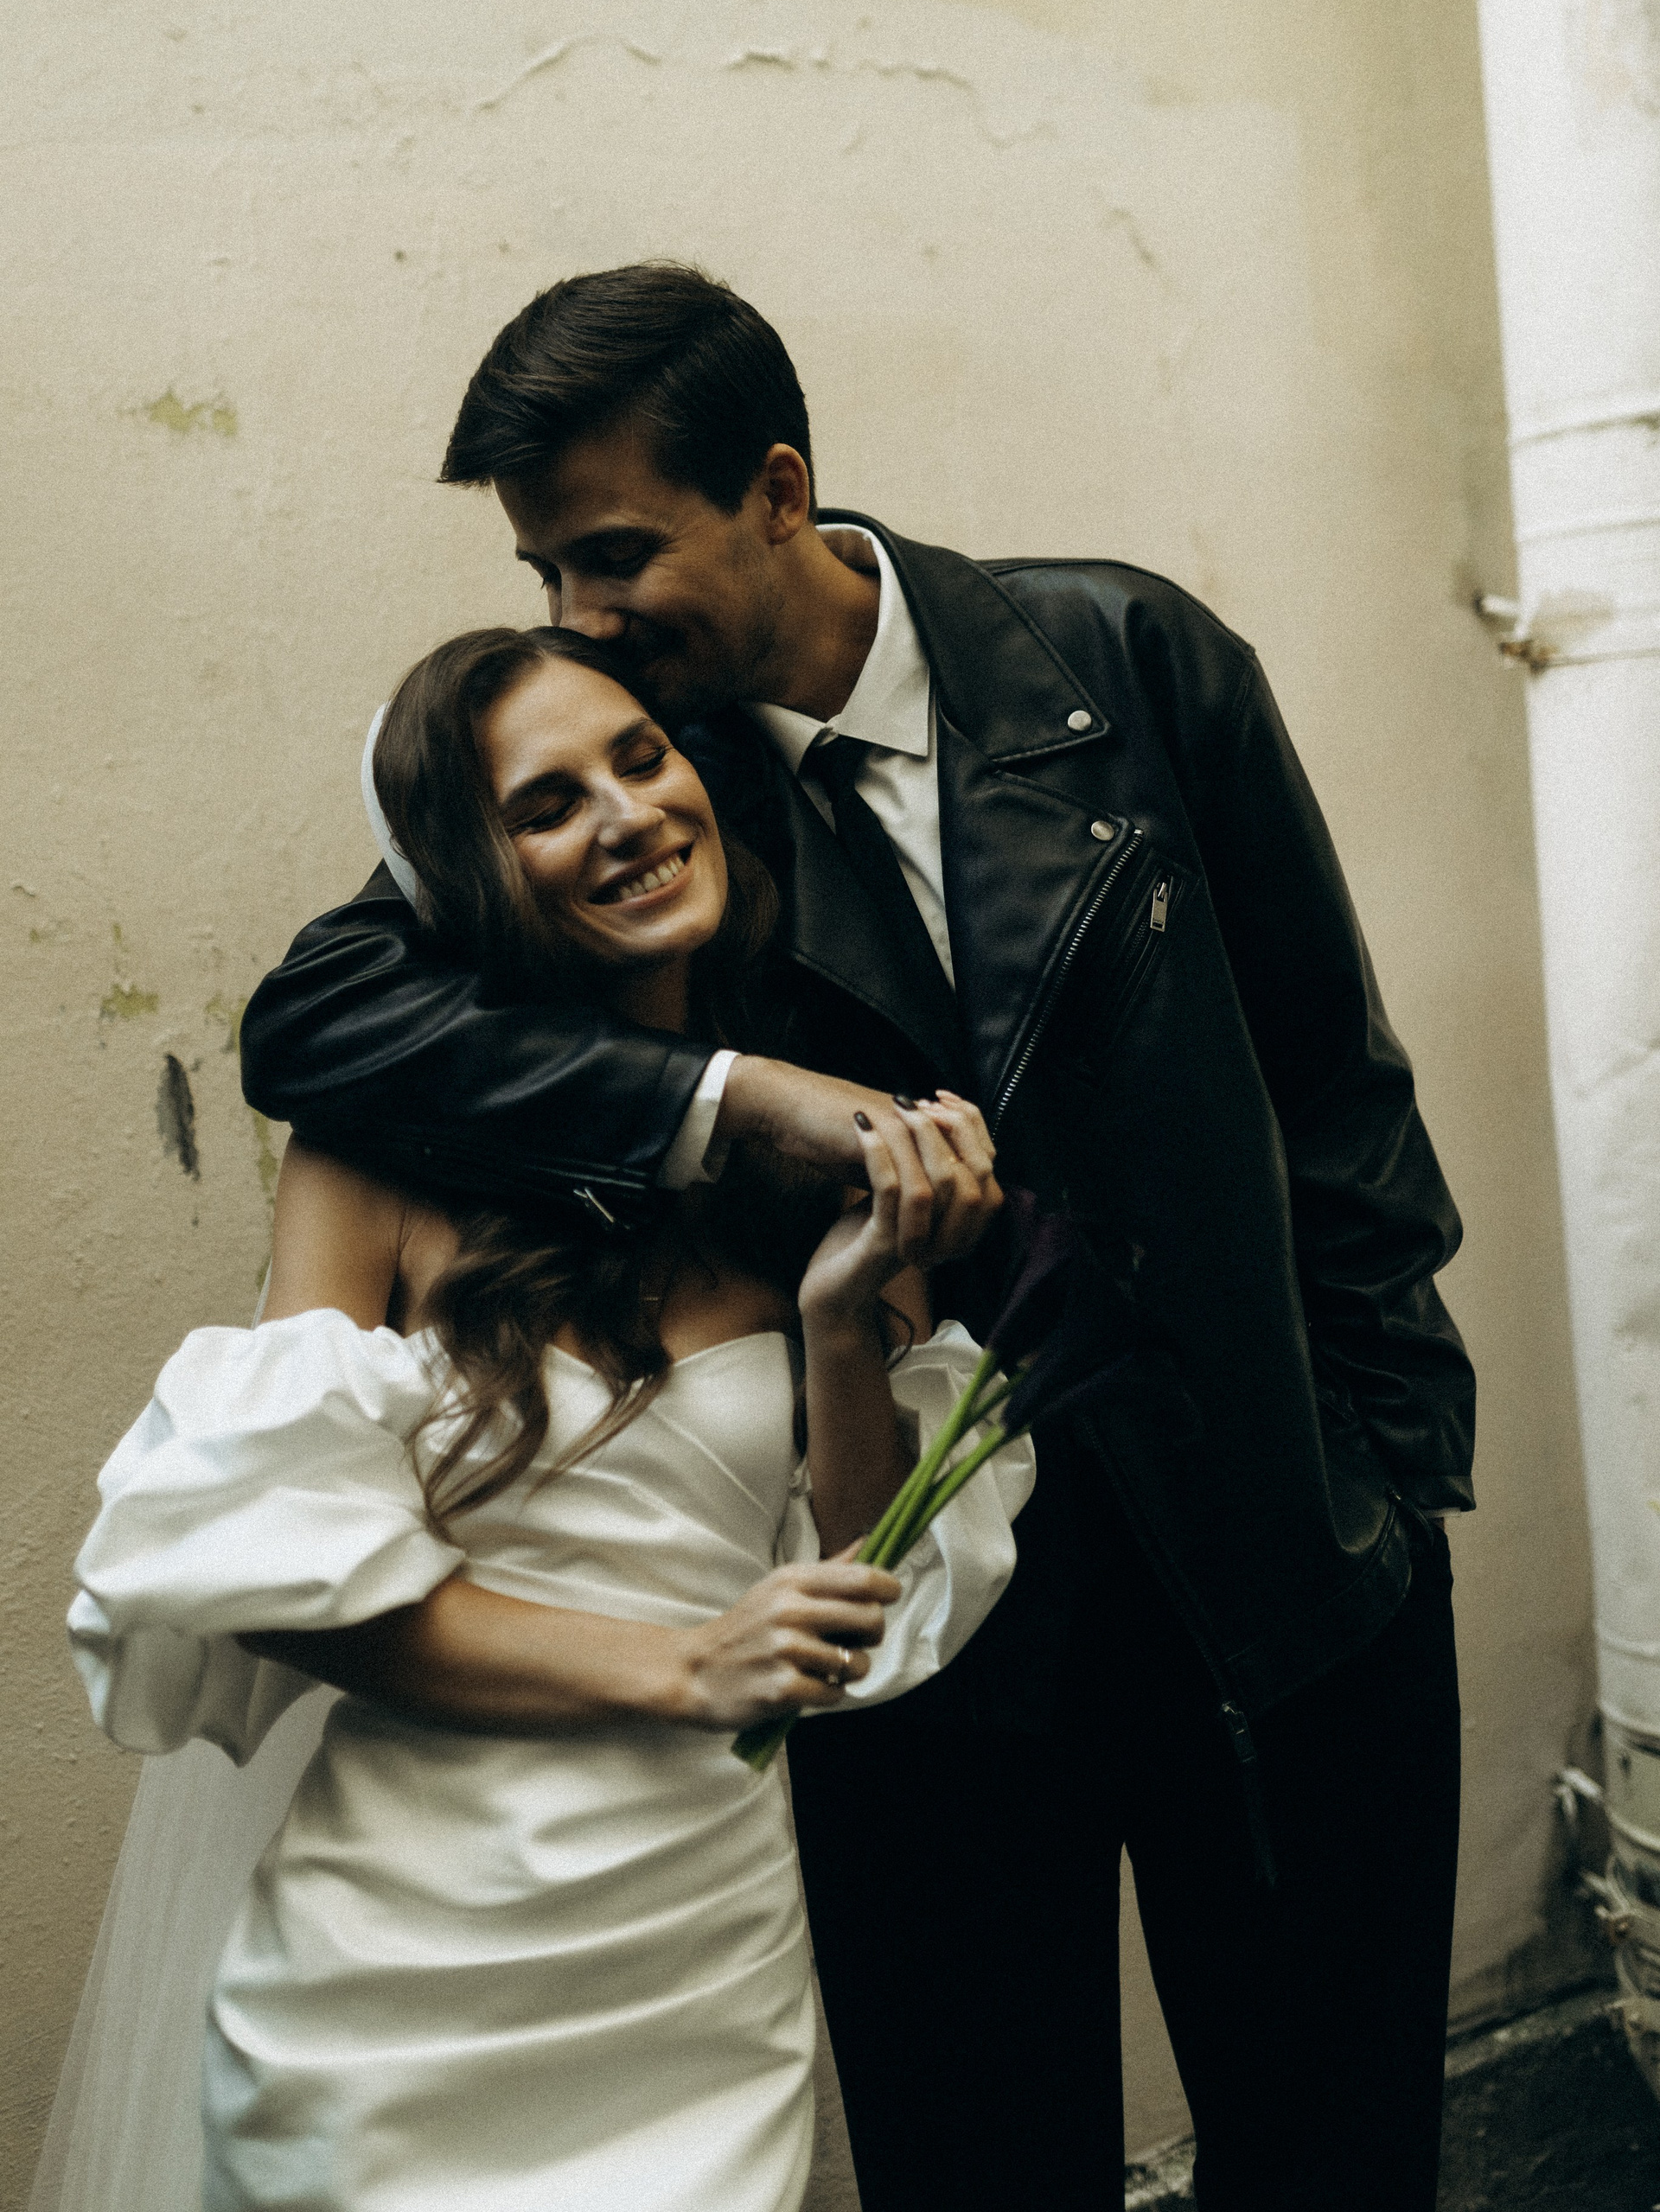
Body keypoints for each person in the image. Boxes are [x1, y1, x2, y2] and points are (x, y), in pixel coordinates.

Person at [239, 265, 1476, 2212]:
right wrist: (742, 1100)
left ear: (779, 490)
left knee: (1336, 2155)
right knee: (978, 2169)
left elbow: (1336, 1091)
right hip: (928, 1640)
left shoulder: (1126, 657)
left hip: (1284, 1576)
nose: (577, 616)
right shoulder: (653, 774)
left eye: (613, 554)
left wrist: (1391, 1479)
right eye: (545, 569)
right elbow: (317, 1019)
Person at [68, 627, 1028, 2212]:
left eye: (642, 760)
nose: (629, 816)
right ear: (470, 871)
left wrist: (841, 1318)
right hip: (400, 1963)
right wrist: (684, 1667)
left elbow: (867, 1588)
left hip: (700, 1950)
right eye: (547, 804)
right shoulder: (370, 1150)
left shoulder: (827, 1143)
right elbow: (280, 1588)